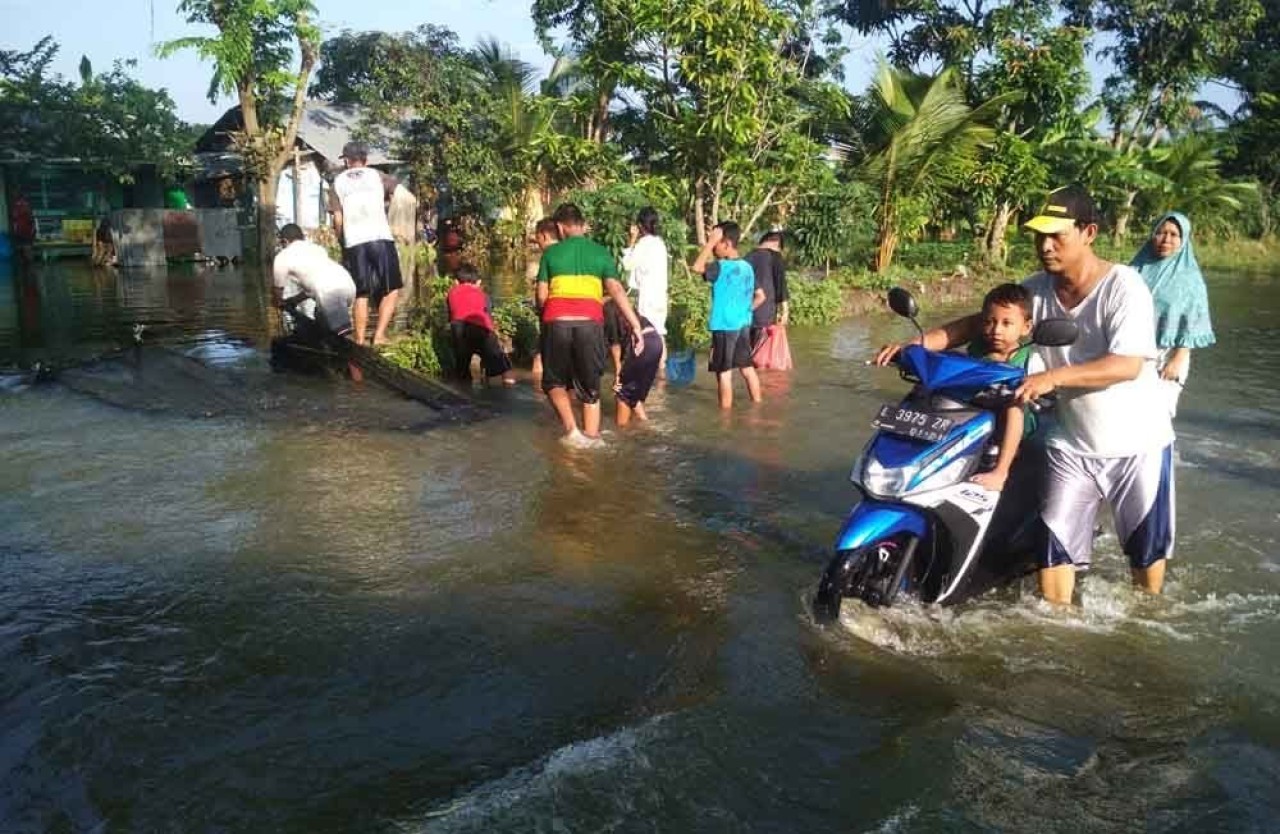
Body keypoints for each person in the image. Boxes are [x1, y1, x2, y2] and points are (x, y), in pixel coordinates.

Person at [874, 185, 1175, 605]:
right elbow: (975, 323)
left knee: (1144, 553)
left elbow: (1126, 364)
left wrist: (1055, 378)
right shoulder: (1037, 289)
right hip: (1069, 443)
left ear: (1088, 232)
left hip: (1135, 444)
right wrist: (922, 346)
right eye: (1039, 236)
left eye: (1057, 236)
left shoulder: (1124, 288)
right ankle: (1057, 638)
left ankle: (1148, 624)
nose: (1045, 246)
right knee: (1055, 552)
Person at [537, 202, 644, 447]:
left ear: (560, 228)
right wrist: (635, 324)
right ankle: (593, 438)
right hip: (590, 324)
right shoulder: (600, 253)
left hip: (557, 322)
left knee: (553, 383)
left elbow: (542, 296)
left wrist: (545, 316)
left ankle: (572, 430)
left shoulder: (551, 254)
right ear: (582, 226)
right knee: (590, 387)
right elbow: (616, 289)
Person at [1129, 211, 1216, 417]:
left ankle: (1165, 449)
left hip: (1167, 353)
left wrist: (1178, 357)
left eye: (1173, 234)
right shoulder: (1136, 268)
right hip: (1133, 349)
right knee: (1129, 410)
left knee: (1160, 412)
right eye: (1160, 232)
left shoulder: (1189, 279)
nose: (1166, 239)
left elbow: (1193, 321)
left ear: (1183, 239)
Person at [964, 283, 1038, 493]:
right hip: (980, 416)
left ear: (1026, 327)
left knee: (1013, 405)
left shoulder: (1027, 361)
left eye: (1007, 323)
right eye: (990, 322)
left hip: (1015, 425)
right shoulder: (977, 348)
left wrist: (1000, 470)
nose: (996, 330)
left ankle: (1001, 471)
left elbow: (1019, 409)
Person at [329, 141, 402, 346]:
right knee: (392, 288)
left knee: (361, 292)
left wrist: (342, 242)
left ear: (346, 161)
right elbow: (400, 193)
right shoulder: (377, 175)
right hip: (380, 237)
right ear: (366, 160)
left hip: (354, 242)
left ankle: (359, 340)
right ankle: (379, 336)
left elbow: (337, 219)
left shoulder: (337, 182)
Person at [691, 222, 765, 409]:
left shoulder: (721, 266)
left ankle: (725, 418)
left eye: (717, 243)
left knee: (724, 373)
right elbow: (760, 297)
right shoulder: (747, 267)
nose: (714, 248)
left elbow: (697, 267)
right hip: (743, 325)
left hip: (724, 326)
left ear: (726, 243)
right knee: (747, 369)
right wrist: (745, 310)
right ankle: (758, 407)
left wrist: (709, 242)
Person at [272, 223, 357, 336]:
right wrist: (295, 300)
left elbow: (278, 293)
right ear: (302, 237)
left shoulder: (282, 257)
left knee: (342, 335)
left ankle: (352, 352)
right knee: (320, 318)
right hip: (347, 283)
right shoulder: (317, 249)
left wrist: (278, 303)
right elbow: (315, 285)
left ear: (285, 241)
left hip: (330, 291)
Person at [446, 264, 515, 386]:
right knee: (502, 364)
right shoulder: (483, 295)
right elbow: (487, 316)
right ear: (478, 282)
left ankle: (463, 389)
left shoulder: (452, 293)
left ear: (456, 282)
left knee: (462, 367)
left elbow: (451, 315)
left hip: (459, 329)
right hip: (482, 329)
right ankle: (508, 382)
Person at [622, 206, 669, 351]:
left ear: (641, 226)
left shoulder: (643, 244)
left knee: (647, 336)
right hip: (660, 296)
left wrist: (632, 239)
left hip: (648, 298)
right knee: (659, 333)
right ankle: (661, 370)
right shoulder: (660, 243)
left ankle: (651, 370)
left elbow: (627, 264)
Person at [615, 315, 664, 427]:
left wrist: (619, 374)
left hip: (643, 343)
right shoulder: (627, 309)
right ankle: (646, 425)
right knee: (634, 392)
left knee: (623, 392)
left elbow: (616, 345)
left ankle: (622, 431)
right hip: (656, 341)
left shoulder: (611, 311)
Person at [745, 230, 789, 351]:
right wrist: (785, 310)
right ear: (777, 244)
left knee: (747, 352)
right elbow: (781, 283)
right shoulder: (775, 256)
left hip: (748, 309)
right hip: (765, 312)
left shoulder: (748, 256)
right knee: (761, 353)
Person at [529, 218, 562, 378]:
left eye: (537, 238)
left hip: (551, 312)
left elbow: (542, 294)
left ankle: (538, 391)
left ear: (543, 235)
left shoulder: (548, 254)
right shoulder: (568, 250)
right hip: (578, 316)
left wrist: (541, 308)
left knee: (540, 354)